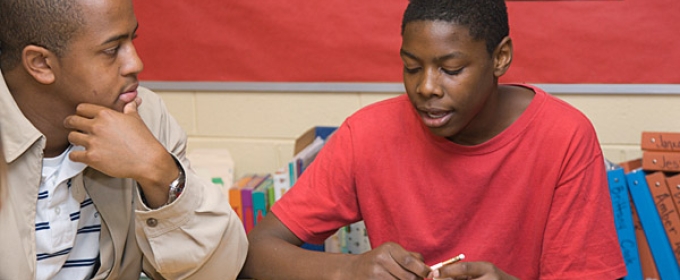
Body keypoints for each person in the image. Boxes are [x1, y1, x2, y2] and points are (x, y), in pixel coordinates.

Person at [242, 0, 627, 279]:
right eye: (411, 67)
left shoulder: (563, 136)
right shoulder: (367, 133)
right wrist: (350, 268)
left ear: (500, 58)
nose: (426, 87)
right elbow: (256, 252)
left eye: (451, 69)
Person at [0, 0, 247, 279]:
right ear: (41, 63)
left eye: (133, 40)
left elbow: (221, 271)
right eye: (111, 50)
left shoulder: (144, 115)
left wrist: (159, 171)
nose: (136, 63)